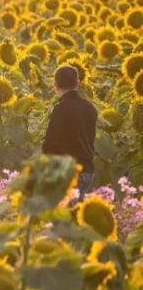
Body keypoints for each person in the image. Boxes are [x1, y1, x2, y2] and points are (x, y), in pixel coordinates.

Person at [42, 65, 97, 197]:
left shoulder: (60, 109)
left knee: (63, 214)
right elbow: (91, 139)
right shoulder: (90, 107)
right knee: (79, 213)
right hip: (87, 171)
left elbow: (50, 143)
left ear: (55, 85)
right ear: (78, 84)